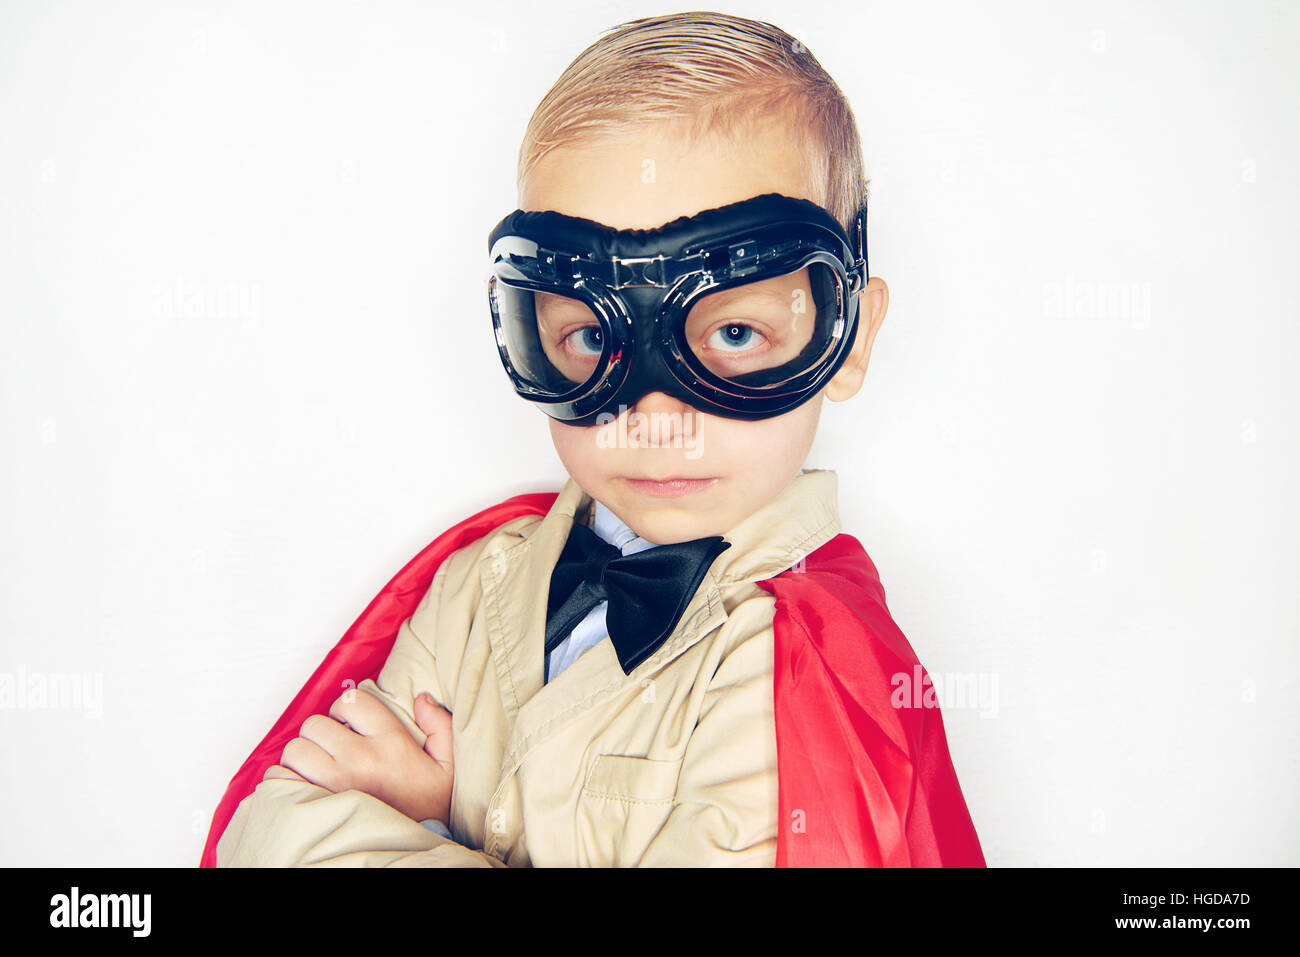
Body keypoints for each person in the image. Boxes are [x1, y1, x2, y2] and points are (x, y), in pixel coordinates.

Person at [212, 11, 984, 867]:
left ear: (849, 337)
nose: (653, 418)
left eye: (734, 334)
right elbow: (264, 832)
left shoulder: (799, 677)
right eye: (592, 337)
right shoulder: (477, 584)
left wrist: (426, 822)